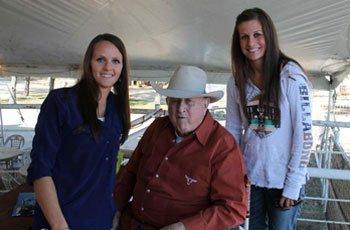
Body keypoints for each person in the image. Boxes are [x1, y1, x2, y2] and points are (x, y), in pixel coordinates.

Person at [114, 65, 247, 229]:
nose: (181, 109)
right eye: (175, 101)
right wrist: (114, 208)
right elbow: (130, 173)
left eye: (189, 102)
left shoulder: (222, 146)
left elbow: (233, 208)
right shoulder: (158, 128)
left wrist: (185, 227)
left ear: (205, 104)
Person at [27, 33, 131, 230]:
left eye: (116, 61)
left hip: (100, 220)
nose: (108, 67)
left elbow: (106, 172)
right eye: (100, 59)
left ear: (122, 68)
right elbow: (40, 170)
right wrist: (59, 226)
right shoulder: (60, 102)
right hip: (60, 220)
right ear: (89, 63)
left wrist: (113, 212)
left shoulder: (117, 108)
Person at [226, 8, 313, 229]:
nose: (251, 42)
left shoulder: (291, 76)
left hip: (283, 181)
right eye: (244, 37)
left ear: (269, 36)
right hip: (249, 179)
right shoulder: (237, 80)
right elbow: (233, 129)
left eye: (257, 34)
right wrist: (232, 173)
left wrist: (293, 186)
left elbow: (304, 135)